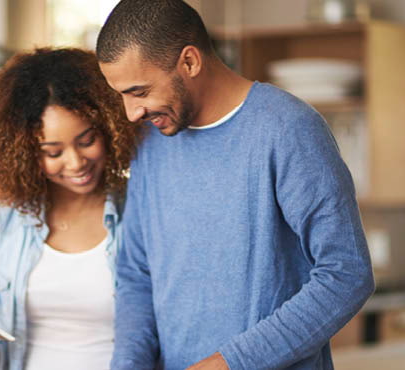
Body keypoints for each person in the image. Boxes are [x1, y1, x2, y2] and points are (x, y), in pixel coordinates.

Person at [95, 1, 375, 369]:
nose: (131, 112)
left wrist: (227, 363)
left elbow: (347, 273)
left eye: (140, 91)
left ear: (190, 62)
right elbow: (136, 274)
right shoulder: (150, 142)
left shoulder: (287, 129)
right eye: (122, 95)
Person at [0, 48, 138, 370]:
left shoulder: (139, 209)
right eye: (53, 152)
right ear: (22, 152)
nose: (76, 162)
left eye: (86, 140)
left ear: (109, 128)